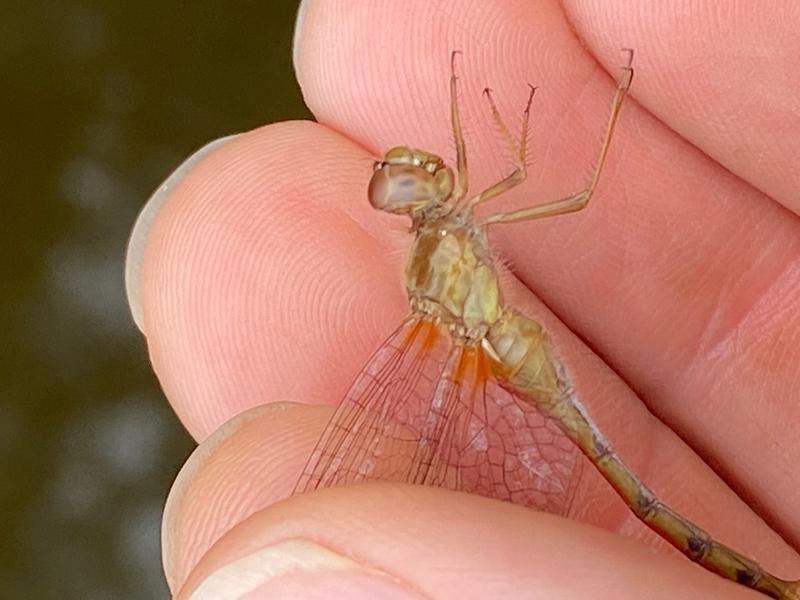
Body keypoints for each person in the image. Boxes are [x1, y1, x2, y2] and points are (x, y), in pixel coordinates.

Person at [125, 1, 800, 597]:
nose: (420, 173)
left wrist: (462, 97)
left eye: (415, 172)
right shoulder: (449, 240)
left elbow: (510, 168)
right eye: (409, 179)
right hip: (494, 349)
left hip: (494, 342)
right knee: (638, 499)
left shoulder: (449, 225)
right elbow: (558, 187)